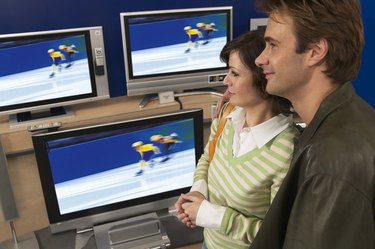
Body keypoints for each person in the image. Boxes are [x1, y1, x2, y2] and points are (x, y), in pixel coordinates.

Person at [249, 0, 375, 248]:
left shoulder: (330, 161)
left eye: (273, 45)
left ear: (316, 52)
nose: (260, 59)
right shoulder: (354, 115)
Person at [174, 29, 300, 249]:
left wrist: (210, 215)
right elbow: (208, 157)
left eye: (235, 73)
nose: (226, 81)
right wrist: (198, 192)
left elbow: (278, 235)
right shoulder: (227, 114)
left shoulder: (287, 151)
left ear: (264, 79)